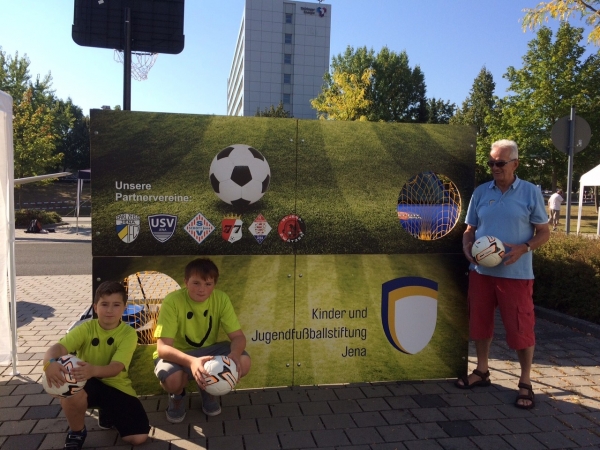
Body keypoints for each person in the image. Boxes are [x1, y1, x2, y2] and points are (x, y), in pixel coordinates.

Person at [456, 139, 550, 410]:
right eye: (491, 163)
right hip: (481, 271)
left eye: (500, 163)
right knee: (480, 323)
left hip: (516, 274)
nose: (495, 168)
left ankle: (525, 381)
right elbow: (470, 229)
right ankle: (482, 371)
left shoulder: (530, 192)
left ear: (515, 163)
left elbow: (544, 232)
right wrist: (466, 246)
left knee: (521, 328)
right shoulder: (481, 192)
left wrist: (524, 247)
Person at [43, 281, 149, 450]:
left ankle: (108, 413)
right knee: (67, 384)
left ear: (124, 308)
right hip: (86, 381)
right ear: (95, 307)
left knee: (138, 438)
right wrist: (49, 363)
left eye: (116, 305)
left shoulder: (128, 334)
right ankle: (77, 432)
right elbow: (59, 348)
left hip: (116, 385)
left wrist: (93, 370)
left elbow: (116, 367)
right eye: (104, 304)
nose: (109, 310)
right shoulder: (86, 328)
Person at [153, 258, 252, 423]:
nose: (202, 290)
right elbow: (163, 348)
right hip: (178, 354)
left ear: (214, 284)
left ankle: (209, 389)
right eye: (196, 283)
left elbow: (238, 337)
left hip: (209, 351)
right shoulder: (172, 301)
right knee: (172, 380)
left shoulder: (221, 298)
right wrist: (192, 362)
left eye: (208, 284)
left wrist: (234, 354)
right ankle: (177, 396)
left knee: (243, 361)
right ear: (186, 282)